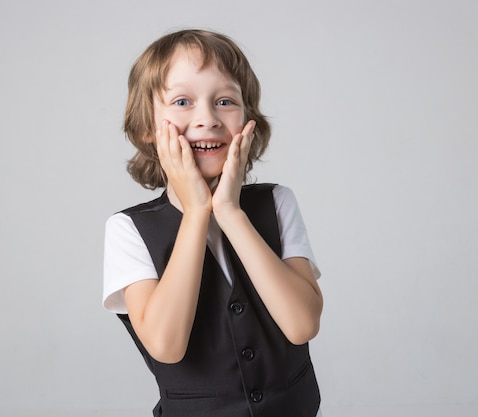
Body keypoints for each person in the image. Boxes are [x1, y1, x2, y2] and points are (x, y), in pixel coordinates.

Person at [103, 29, 324, 417]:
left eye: (225, 101)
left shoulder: (277, 202)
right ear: (146, 128)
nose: (207, 119)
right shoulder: (127, 230)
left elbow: (302, 324)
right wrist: (195, 213)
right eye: (182, 101)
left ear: (247, 121)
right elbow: (166, 344)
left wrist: (231, 213)